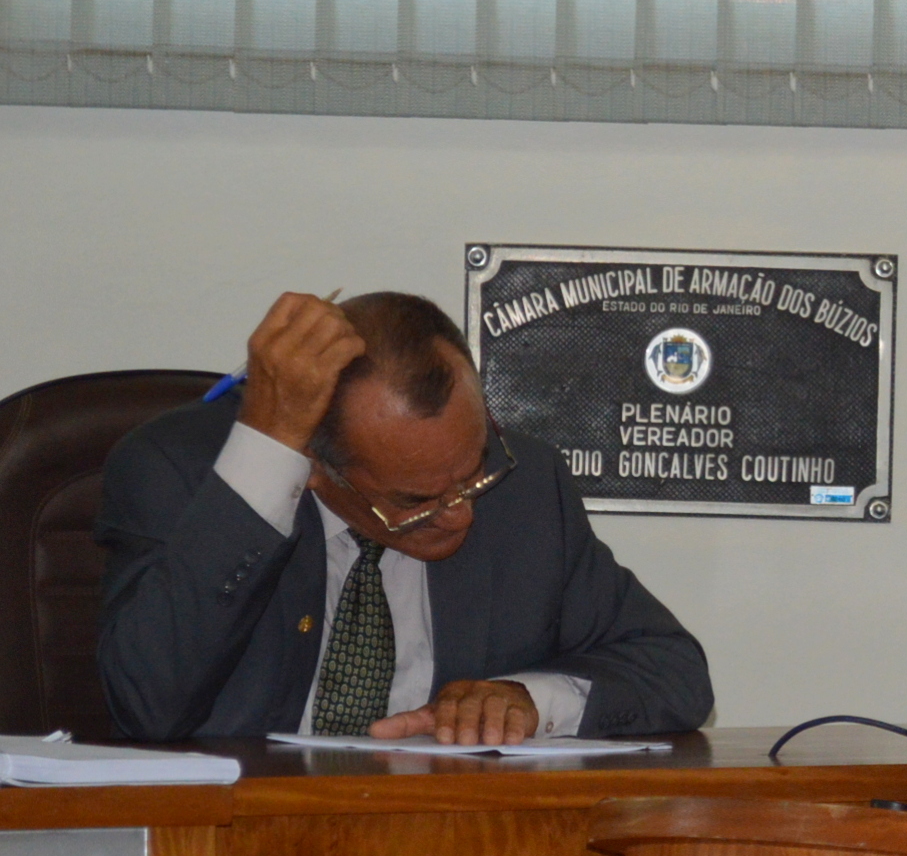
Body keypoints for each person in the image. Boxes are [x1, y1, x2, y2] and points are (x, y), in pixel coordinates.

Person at [97, 290, 714, 742]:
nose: (460, 514)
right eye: (416, 501)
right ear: (312, 464)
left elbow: (676, 673)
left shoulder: (526, 487)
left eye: (474, 469)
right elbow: (150, 705)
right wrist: (267, 455)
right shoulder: (180, 475)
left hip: (445, 854)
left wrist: (530, 700)